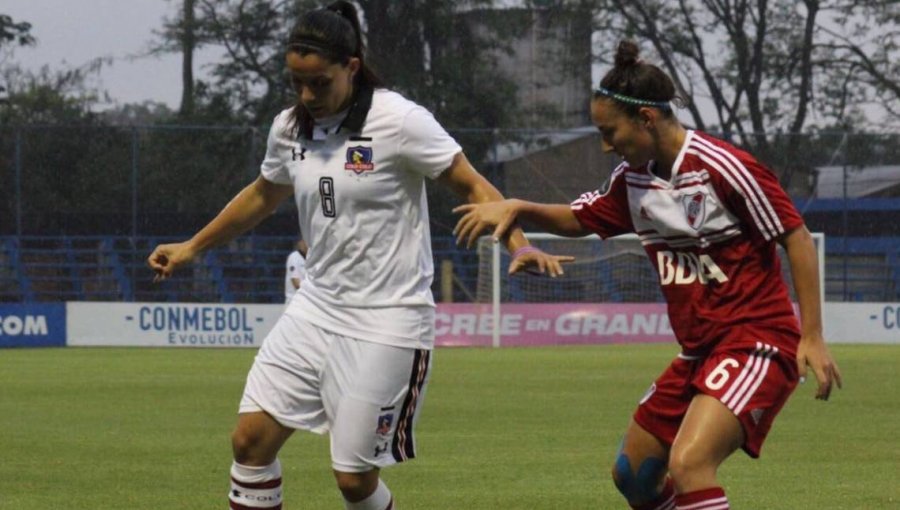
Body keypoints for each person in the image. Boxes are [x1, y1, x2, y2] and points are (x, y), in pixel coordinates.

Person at [147, 2, 567, 509]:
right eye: (297, 82)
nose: (306, 95)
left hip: (389, 318)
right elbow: (263, 193)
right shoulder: (289, 128)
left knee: (353, 479)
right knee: (249, 442)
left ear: (350, 67)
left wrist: (518, 244)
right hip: (316, 309)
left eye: (319, 83)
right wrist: (192, 247)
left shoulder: (401, 120)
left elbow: (474, 184)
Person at [453, 40, 843, 510]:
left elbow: (795, 237)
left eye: (609, 131)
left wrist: (813, 336)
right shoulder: (631, 180)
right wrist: (521, 208)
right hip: (698, 351)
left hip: (756, 341)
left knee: (690, 463)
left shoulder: (725, 168)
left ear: (646, 120)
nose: (605, 144)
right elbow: (580, 220)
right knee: (634, 476)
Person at [284, 238, 308, 304]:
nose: (306, 244)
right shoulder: (294, 257)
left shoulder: (310, 258)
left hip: (305, 300)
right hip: (293, 300)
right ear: (299, 243)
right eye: (304, 241)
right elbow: (296, 283)